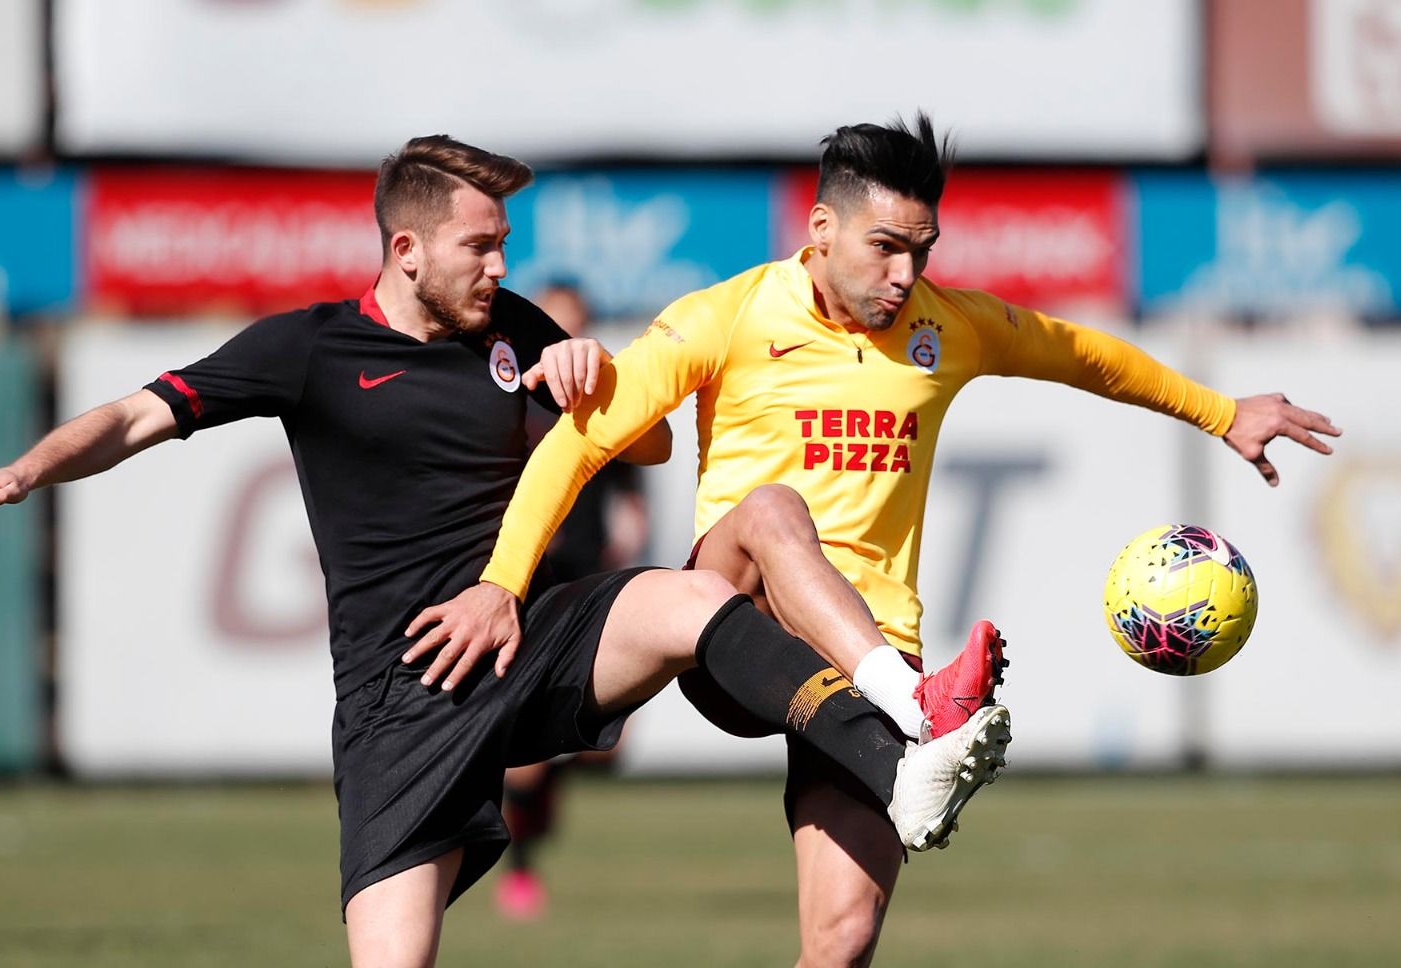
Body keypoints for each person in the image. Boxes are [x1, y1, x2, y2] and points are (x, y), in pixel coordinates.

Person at [0, 134, 1011, 968]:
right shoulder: (307, 349)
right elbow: (135, 418)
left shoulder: (513, 325)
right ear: (405, 250)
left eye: (504, 243)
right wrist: (27, 468)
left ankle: (901, 757)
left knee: (690, 598)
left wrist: (589, 377)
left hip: (530, 637)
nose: (500, 264)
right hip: (399, 700)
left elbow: (641, 439)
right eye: (480, 245)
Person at [448, 113, 1343, 966]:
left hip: (867, 641)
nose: (906, 273)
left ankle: (908, 712)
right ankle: (922, 713)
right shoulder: (729, 315)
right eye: (886, 247)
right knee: (771, 510)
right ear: (822, 228)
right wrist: (501, 583)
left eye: (923, 250)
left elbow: (1083, 355)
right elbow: (580, 440)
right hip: (736, 622)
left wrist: (1222, 412)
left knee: (841, 943)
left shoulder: (945, 328)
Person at [496, 279, 651, 920]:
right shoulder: (513, 396)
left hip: (590, 572)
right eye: (553, 324)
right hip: (529, 576)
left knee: (607, 744)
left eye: (575, 325)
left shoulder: (604, 396)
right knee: (526, 757)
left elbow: (635, 482)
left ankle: (536, 789)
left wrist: (632, 531)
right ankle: (518, 864)